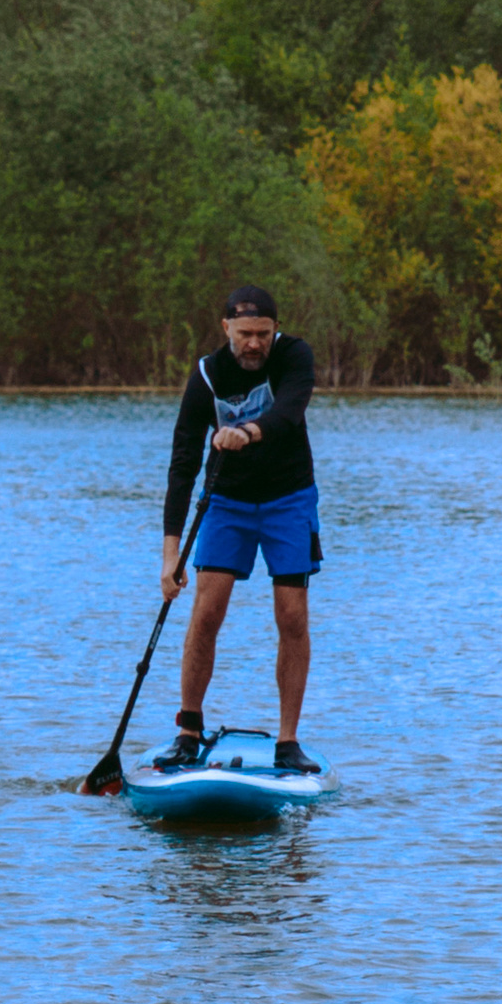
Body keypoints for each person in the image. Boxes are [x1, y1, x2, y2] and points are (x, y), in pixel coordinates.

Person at [156, 283, 320, 772]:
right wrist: (170, 555)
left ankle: (288, 742)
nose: (254, 343)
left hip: (289, 499)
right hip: (227, 502)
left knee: (292, 616)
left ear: (275, 330)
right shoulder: (207, 375)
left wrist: (246, 431)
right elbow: (183, 463)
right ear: (226, 327)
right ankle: (188, 731)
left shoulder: (294, 357)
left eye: (263, 334)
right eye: (245, 333)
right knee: (207, 612)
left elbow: (288, 412)